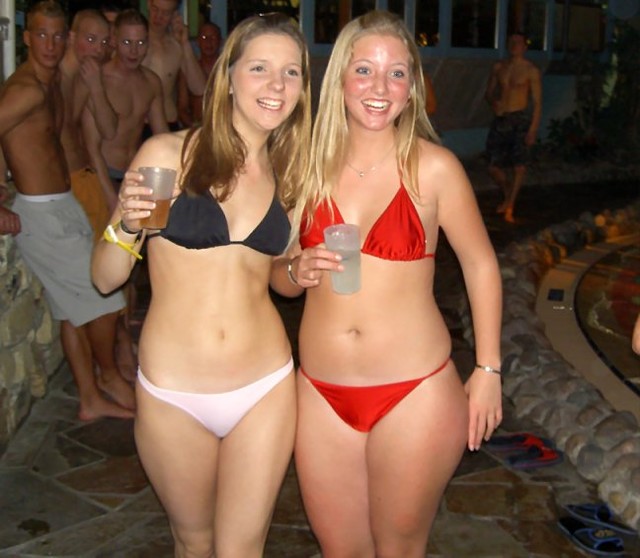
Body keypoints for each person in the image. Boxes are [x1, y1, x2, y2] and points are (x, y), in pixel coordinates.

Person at [272, 11, 503, 556]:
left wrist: (488, 369)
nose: (380, 88)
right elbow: (280, 279)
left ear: (412, 88)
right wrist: (296, 269)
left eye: (396, 73)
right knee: (340, 549)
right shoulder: (303, 166)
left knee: (398, 547)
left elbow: (481, 265)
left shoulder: (435, 168)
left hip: (414, 390)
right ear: (340, 78)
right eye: (364, 70)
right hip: (321, 393)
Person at [91, 12, 311, 556]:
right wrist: (127, 226)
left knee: (241, 550)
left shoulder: (293, 173)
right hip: (174, 393)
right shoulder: (169, 157)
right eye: (259, 68)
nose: (276, 84)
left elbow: (280, 281)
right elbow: (105, 278)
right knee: (194, 543)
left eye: (291, 72)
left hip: (265, 385)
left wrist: (297, 271)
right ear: (228, 75)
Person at [0, 0, 134, 419]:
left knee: (72, 312)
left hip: (63, 203)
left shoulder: (53, 82)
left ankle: (89, 400)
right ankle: (108, 376)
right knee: (104, 295)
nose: (50, 44)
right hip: (41, 212)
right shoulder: (26, 90)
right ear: (26, 38)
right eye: (41, 34)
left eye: (57, 36)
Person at [83, 9, 168, 191]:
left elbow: (162, 135)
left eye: (141, 43)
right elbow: (92, 148)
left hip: (136, 173)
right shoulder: (97, 80)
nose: (134, 51)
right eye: (127, 42)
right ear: (114, 40)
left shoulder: (151, 82)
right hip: (103, 173)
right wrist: (109, 194)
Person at [60, 8, 117, 234]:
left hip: (84, 177)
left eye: (104, 42)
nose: (99, 49)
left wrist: (96, 87)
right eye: (91, 40)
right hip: (56, 185)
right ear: (71, 38)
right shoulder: (50, 78)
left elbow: (109, 130)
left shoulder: (88, 78)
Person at [485, 31, 542, 223]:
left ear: (525, 47)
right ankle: (508, 193)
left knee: (519, 166)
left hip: (520, 118)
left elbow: (537, 102)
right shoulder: (499, 67)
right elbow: (489, 93)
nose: (514, 45)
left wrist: (533, 129)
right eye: (512, 41)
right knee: (493, 166)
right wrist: (494, 102)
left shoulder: (530, 70)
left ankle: (510, 204)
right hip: (502, 118)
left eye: (518, 42)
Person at [143, 0, 206, 130]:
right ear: (149, 4)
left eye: (165, 13)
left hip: (168, 121)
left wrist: (185, 43)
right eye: (155, 9)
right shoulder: (133, 43)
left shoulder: (176, 45)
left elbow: (199, 88)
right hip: (135, 125)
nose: (158, 16)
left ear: (174, 14)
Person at [176, 20, 221, 127]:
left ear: (220, 41)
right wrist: (195, 129)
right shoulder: (187, 71)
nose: (208, 42)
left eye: (213, 37)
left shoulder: (229, 71)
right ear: (198, 41)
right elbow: (182, 108)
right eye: (204, 38)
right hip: (196, 126)